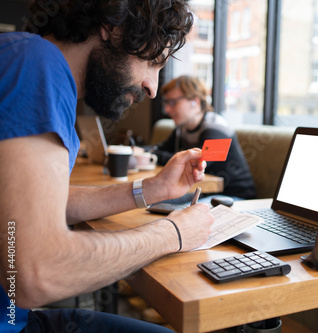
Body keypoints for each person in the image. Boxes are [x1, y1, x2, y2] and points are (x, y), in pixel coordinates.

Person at [0, 1, 215, 332]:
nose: (153, 87)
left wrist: (153, 189)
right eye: (154, 62)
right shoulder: (35, 64)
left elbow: (36, 206)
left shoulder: (21, 57)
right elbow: (36, 271)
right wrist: (174, 233)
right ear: (114, 28)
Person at [152, 75, 257, 203]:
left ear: (194, 102)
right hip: (204, 192)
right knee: (156, 201)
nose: (167, 109)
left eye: (173, 102)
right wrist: (148, 152)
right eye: (166, 103)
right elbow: (160, 148)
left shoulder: (217, 128)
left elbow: (199, 164)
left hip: (234, 196)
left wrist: (155, 156)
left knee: (180, 210)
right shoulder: (183, 127)